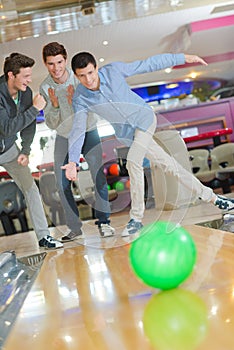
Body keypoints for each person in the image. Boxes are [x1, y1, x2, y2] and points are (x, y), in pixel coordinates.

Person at [62, 51, 234, 237]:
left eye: (90, 73)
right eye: (82, 76)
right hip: (127, 134)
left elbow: (147, 64)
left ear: (96, 68)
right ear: (76, 76)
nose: (88, 80)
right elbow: (78, 129)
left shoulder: (113, 71)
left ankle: (136, 218)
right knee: (170, 166)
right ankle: (215, 198)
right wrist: (73, 161)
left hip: (144, 119)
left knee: (133, 162)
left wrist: (182, 58)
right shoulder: (80, 97)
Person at [39, 42, 114, 240]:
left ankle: (104, 222)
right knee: (61, 182)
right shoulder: (45, 87)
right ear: (45, 64)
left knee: (99, 176)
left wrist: (76, 102)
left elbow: (95, 107)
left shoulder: (79, 78)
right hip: (64, 136)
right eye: (51, 64)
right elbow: (51, 122)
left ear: (65, 59)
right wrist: (54, 106)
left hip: (89, 131)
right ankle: (74, 228)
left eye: (59, 62)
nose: (56, 68)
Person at [0, 52, 63, 248]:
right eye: (25, 76)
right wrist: (35, 109)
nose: (29, 80)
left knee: (31, 189)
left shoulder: (25, 92)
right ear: (11, 75)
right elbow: (7, 128)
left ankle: (44, 237)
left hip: (9, 149)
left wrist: (25, 150)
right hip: (5, 138)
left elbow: (28, 125)